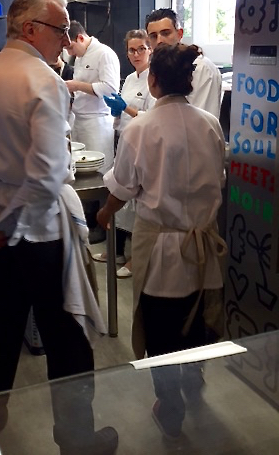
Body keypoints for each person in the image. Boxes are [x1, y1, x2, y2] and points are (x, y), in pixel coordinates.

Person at [0, 0, 117, 455]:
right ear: (31, 29)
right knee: (68, 340)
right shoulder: (43, 79)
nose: (66, 39)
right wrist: (3, 225)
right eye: (60, 29)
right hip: (40, 230)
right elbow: (48, 173)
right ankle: (77, 441)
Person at [97, 43, 227, 441]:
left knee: (162, 331)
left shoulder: (141, 128)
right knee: (197, 318)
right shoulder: (210, 124)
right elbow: (219, 177)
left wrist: (104, 213)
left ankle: (170, 410)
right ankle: (194, 380)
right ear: (188, 82)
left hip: (161, 250)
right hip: (202, 244)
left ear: (152, 81)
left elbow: (123, 186)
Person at [94, 29, 155, 274]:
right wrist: (116, 111)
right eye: (132, 50)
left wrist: (126, 108)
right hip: (125, 140)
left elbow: (154, 118)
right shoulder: (129, 78)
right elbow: (123, 113)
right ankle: (117, 251)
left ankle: (135, 258)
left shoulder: (154, 79)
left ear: (150, 50)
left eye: (141, 49)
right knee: (120, 195)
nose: (136, 54)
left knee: (137, 202)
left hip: (145, 145)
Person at [65, 21, 120, 173]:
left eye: (71, 47)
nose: (70, 53)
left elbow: (110, 89)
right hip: (78, 120)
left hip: (97, 122)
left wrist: (77, 85)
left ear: (80, 38)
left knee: (98, 170)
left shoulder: (104, 53)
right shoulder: (79, 57)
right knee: (78, 169)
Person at [145, 8, 222, 117]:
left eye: (166, 33)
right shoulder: (157, 68)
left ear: (179, 34)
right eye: (153, 36)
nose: (159, 41)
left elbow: (198, 119)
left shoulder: (200, 67)